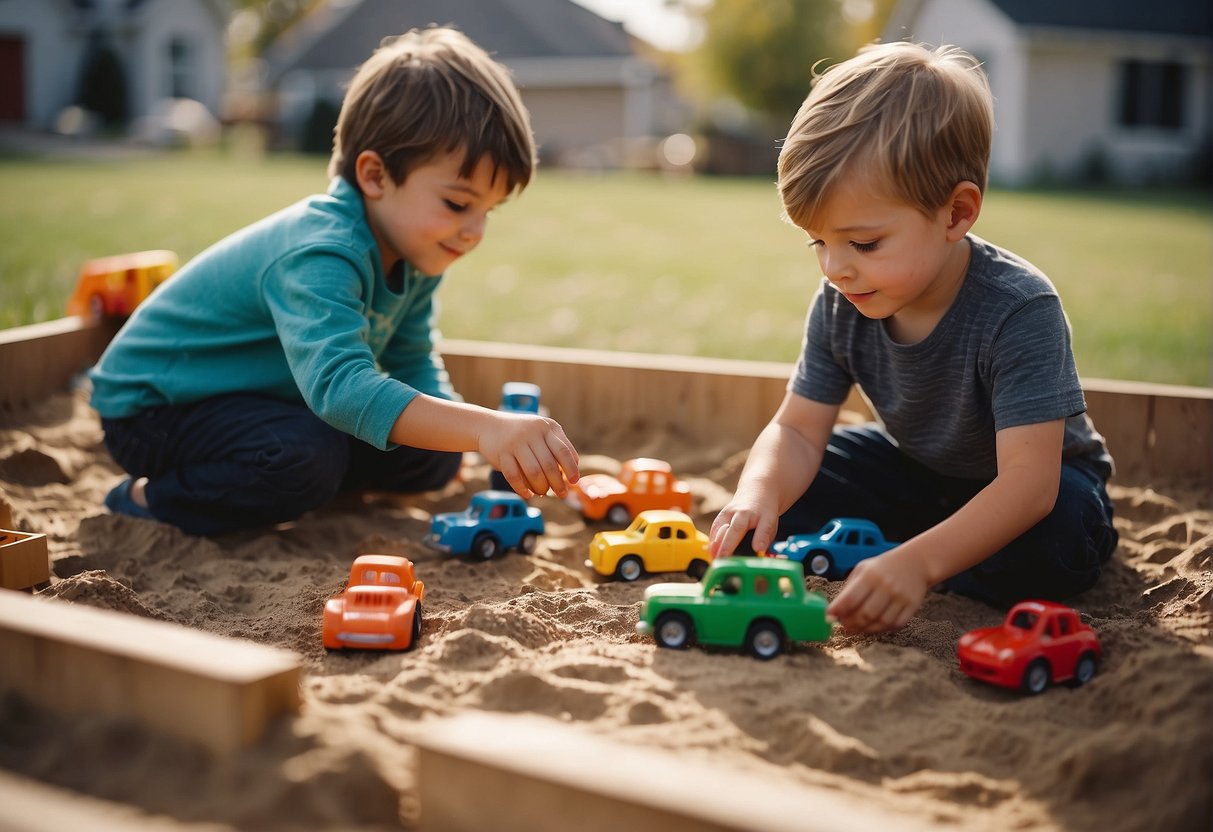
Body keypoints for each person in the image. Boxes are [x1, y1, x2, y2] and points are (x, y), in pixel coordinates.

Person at [90, 26, 579, 536]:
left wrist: (463, 431)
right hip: (157, 409)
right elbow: (339, 388)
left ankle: (302, 484)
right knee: (305, 456)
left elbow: (411, 356)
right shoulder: (321, 249)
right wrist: (484, 428)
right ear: (374, 176)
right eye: (458, 203)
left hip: (265, 400)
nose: (474, 231)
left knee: (432, 459)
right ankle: (147, 498)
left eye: (488, 210)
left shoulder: (417, 251)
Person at [708, 41, 1117, 634]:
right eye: (818, 242)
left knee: (1057, 543)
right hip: (918, 468)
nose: (835, 268)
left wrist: (919, 564)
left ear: (956, 214)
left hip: (1039, 485)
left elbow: (1030, 488)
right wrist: (756, 496)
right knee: (790, 499)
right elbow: (797, 429)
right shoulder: (841, 300)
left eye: (864, 243)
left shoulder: (1019, 308)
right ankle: (918, 550)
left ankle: (923, 557)